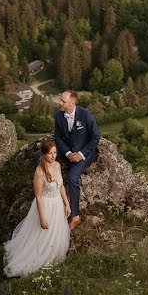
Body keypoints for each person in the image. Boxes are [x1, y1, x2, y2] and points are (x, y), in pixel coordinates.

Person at [3, 139, 71, 277]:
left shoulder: (57, 166)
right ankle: (36, 260)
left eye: (55, 152)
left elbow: (61, 186)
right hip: (45, 207)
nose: (54, 156)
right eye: (51, 153)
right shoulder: (39, 172)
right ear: (44, 154)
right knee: (40, 236)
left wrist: (67, 204)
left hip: (57, 204)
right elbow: (38, 197)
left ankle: (52, 257)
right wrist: (42, 218)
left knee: (55, 234)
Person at [54, 90, 100, 230]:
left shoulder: (86, 115)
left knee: (73, 177)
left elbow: (96, 136)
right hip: (67, 151)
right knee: (39, 156)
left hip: (84, 154)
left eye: (63, 101)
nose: (60, 103)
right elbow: (58, 138)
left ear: (73, 103)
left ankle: (75, 217)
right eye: (60, 100)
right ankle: (49, 190)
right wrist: (67, 153)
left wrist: (80, 154)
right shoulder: (58, 115)